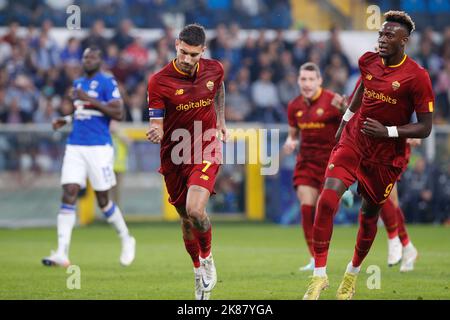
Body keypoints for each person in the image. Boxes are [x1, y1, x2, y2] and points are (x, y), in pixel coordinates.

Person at [303, 11, 434, 300]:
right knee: (327, 198)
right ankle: (319, 276)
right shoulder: (368, 61)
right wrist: (345, 120)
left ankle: (352, 274)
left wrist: (388, 132)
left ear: (405, 41)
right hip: (355, 141)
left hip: (386, 156)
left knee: (369, 214)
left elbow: (425, 127)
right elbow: (362, 87)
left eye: (390, 36)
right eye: (381, 34)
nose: (382, 39)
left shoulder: (417, 77)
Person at [146, 24, 226, 300]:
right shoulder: (159, 81)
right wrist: (156, 128)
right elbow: (156, 118)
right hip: (174, 154)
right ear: (176, 45)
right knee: (185, 218)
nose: (188, 59)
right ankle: (197, 274)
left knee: (195, 210)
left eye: (194, 55)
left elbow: (219, 88)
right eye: (183, 52)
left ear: (203, 51)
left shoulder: (214, 69)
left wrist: (222, 120)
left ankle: (208, 260)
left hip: (206, 146)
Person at [42, 47, 136, 268]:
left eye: (92, 57)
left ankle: (126, 238)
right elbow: (82, 112)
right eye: (85, 57)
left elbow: (118, 113)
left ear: (99, 60)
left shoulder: (107, 82)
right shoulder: (78, 83)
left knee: (103, 201)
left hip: (99, 147)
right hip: (75, 145)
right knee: (69, 191)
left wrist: (90, 100)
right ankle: (62, 253)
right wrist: (65, 120)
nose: (88, 60)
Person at [283, 62, 349, 271]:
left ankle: (343, 195)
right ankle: (314, 258)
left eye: (311, 79)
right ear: (298, 81)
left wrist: (346, 110)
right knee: (306, 208)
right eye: (303, 79)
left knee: (323, 210)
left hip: (331, 164)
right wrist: (290, 141)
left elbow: (351, 126)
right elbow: (293, 133)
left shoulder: (333, 101)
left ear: (319, 81)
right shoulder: (294, 106)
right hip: (306, 162)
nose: (307, 83)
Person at [379, 138, 420, 271]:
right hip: (378, 149)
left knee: (382, 197)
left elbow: (418, 126)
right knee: (389, 202)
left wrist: (412, 136)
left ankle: (402, 244)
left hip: (394, 152)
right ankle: (407, 247)